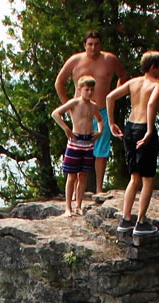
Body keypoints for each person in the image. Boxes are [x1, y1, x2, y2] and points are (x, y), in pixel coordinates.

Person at [55, 31, 129, 194]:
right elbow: (59, 82)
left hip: (101, 109)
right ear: (85, 45)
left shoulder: (110, 59)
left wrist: (113, 96)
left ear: (101, 45)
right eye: (90, 44)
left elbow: (123, 76)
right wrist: (68, 105)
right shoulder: (75, 60)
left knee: (101, 151)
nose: (93, 47)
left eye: (96, 44)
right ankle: (74, 192)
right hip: (80, 112)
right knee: (77, 148)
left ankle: (99, 188)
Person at [107, 51, 159, 237]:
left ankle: (126, 219)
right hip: (142, 128)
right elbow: (151, 105)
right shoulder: (158, 84)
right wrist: (150, 130)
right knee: (148, 178)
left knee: (134, 177)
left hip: (130, 127)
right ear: (153, 67)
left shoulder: (133, 82)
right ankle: (140, 222)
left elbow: (110, 98)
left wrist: (111, 123)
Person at [52, 76, 102, 216]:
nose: (90, 92)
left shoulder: (93, 106)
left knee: (83, 175)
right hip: (75, 141)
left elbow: (99, 120)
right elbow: (56, 114)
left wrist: (100, 131)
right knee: (71, 175)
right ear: (80, 89)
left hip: (88, 142)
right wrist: (66, 128)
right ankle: (68, 207)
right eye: (87, 90)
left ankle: (78, 206)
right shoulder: (74, 103)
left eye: (92, 90)